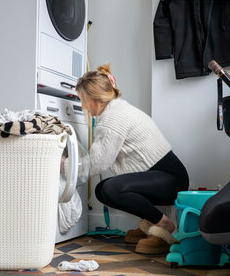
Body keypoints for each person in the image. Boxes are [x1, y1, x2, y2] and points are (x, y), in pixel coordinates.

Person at [75, 63, 189, 254]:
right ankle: (149, 222)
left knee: (109, 189)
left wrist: (67, 167)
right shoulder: (116, 110)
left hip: (171, 179)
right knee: (103, 189)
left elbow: (98, 163)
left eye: (84, 100)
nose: (83, 106)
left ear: (96, 99)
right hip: (164, 175)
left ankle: (164, 225)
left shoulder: (113, 118)